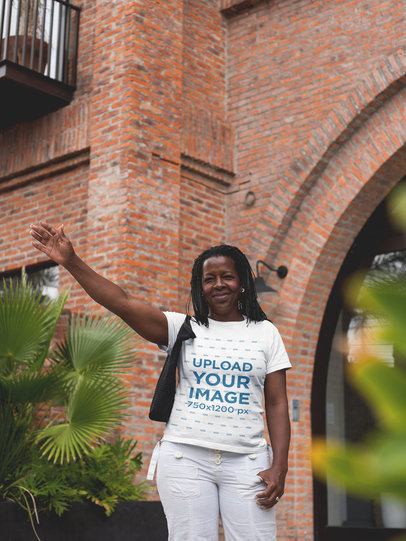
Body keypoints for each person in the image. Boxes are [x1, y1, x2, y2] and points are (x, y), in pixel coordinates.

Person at [30, 221, 291, 541]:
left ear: (242, 284)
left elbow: (277, 403)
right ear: (201, 287)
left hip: (248, 461)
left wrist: (280, 464)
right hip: (185, 459)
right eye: (209, 279)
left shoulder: (266, 333)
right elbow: (121, 302)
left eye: (227, 276)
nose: (219, 284)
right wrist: (72, 262)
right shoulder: (183, 327)